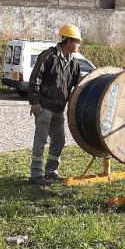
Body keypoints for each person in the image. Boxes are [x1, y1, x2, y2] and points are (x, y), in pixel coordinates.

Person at [28, 24, 82, 185]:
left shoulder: (74, 63)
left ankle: (51, 171)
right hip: (44, 107)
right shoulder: (48, 56)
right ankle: (36, 174)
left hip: (59, 109)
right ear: (69, 41)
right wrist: (34, 102)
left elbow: (78, 85)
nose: (79, 45)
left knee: (59, 141)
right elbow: (34, 79)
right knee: (40, 141)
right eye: (78, 42)